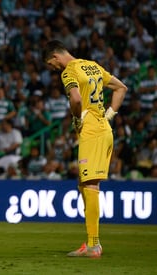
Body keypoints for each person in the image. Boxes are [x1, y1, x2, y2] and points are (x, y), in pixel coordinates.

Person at [42, 40, 127, 257]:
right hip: (104, 129)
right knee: (84, 183)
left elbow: (76, 99)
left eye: (50, 65)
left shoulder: (68, 71)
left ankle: (94, 245)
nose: (52, 69)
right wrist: (108, 116)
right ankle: (90, 241)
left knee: (89, 185)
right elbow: (121, 88)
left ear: (55, 57)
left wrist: (77, 118)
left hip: (91, 132)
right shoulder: (92, 65)